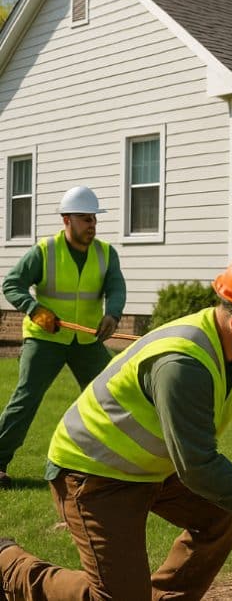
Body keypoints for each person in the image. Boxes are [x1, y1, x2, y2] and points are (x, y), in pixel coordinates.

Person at [0, 251, 232, 599]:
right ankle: (9, 565)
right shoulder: (183, 366)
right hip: (93, 472)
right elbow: (198, 465)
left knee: (219, 516)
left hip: (154, 466)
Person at [0, 186, 125, 490]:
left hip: (87, 341)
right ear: (67, 220)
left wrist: (113, 315)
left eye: (94, 219)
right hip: (46, 339)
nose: (92, 225)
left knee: (111, 397)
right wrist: (33, 309)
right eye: (85, 219)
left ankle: (117, 464)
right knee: (26, 399)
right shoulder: (44, 251)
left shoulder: (106, 253)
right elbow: (12, 284)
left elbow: (116, 288)